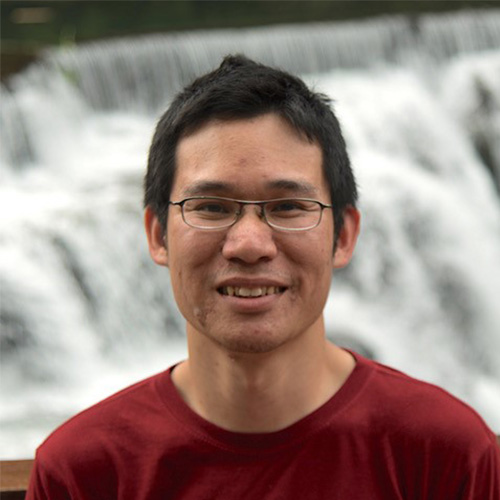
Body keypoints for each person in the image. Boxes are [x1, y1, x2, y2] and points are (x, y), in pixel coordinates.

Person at [27, 55, 499, 499]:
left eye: (289, 207)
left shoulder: (445, 456)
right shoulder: (85, 474)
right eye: (210, 207)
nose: (249, 244)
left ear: (344, 235)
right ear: (157, 234)